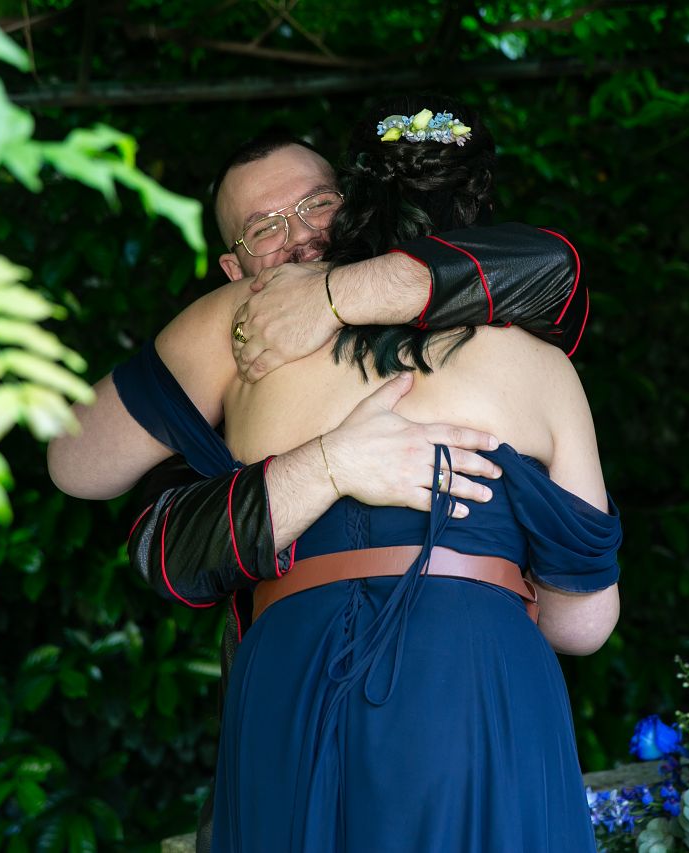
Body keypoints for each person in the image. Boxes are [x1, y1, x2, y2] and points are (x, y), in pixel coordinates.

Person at [116, 97, 620, 852]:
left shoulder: (243, 346)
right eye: (264, 227)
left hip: (289, 667)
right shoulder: (540, 367)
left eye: (315, 207)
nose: (299, 238)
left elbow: (78, 464)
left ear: (354, 207)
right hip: (473, 672)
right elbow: (583, 622)